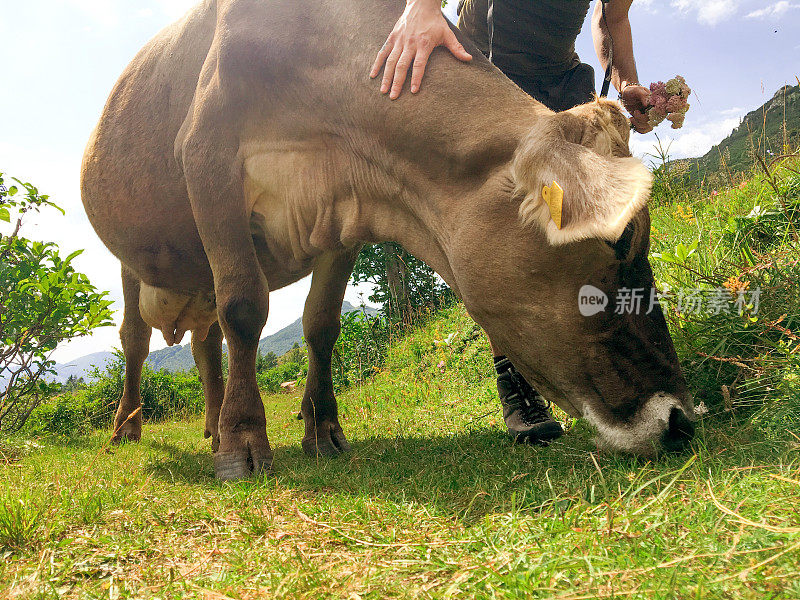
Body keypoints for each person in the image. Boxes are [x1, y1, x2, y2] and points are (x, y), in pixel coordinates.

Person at [371, 0, 653, 444]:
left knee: (597, 223)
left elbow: (612, 17)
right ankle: (515, 379)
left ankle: (624, 358)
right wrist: (422, 8)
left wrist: (627, 82)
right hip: (484, 71)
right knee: (513, 227)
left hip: (557, 77)